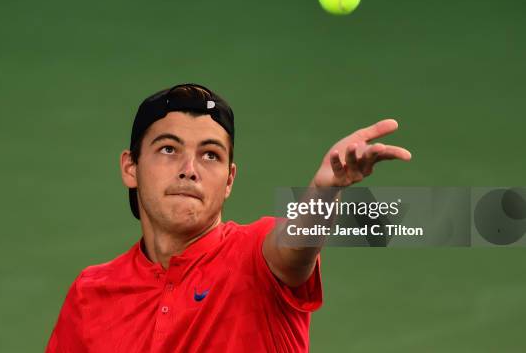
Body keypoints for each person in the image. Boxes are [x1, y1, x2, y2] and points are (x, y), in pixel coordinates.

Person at [45, 84, 411, 352]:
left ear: (229, 180)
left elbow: (296, 247)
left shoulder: (256, 257)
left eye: (210, 155)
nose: (189, 169)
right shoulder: (90, 294)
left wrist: (326, 189)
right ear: (130, 167)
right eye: (168, 149)